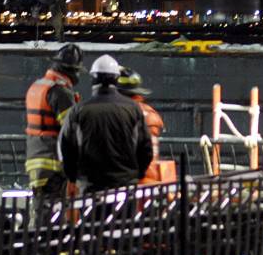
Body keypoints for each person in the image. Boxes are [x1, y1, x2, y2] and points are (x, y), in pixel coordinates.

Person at [58, 55, 153, 195]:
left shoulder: (78, 110)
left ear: (93, 79)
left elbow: (66, 147)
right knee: (124, 218)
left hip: (90, 186)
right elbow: (145, 148)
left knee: (93, 218)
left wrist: (73, 177)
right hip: (125, 186)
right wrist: (136, 175)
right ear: (116, 78)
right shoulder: (133, 109)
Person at [24, 43, 82, 221]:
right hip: (53, 164)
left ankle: (40, 244)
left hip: (36, 160)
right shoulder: (60, 92)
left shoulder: (38, 86)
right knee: (54, 216)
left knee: (42, 210)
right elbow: (71, 131)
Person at [118, 67, 167, 184]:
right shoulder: (148, 115)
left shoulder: (115, 114)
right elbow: (149, 158)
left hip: (122, 185)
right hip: (144, 184)